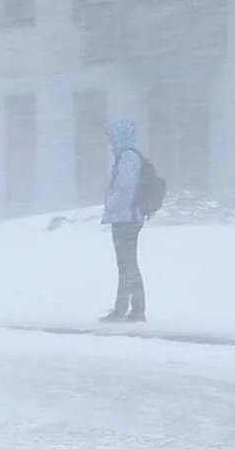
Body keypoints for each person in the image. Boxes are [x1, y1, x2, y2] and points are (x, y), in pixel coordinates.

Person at [100, 119, 146, 323]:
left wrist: (110, 204)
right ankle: (123, 307)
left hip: (126, 218)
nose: (110, 143)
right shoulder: (127, 157)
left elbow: (125, 189)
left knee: (128, 264)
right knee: (125, 264)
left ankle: (136, 309)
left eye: (112, 138)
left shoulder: (128, 158)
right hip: (126, 217)